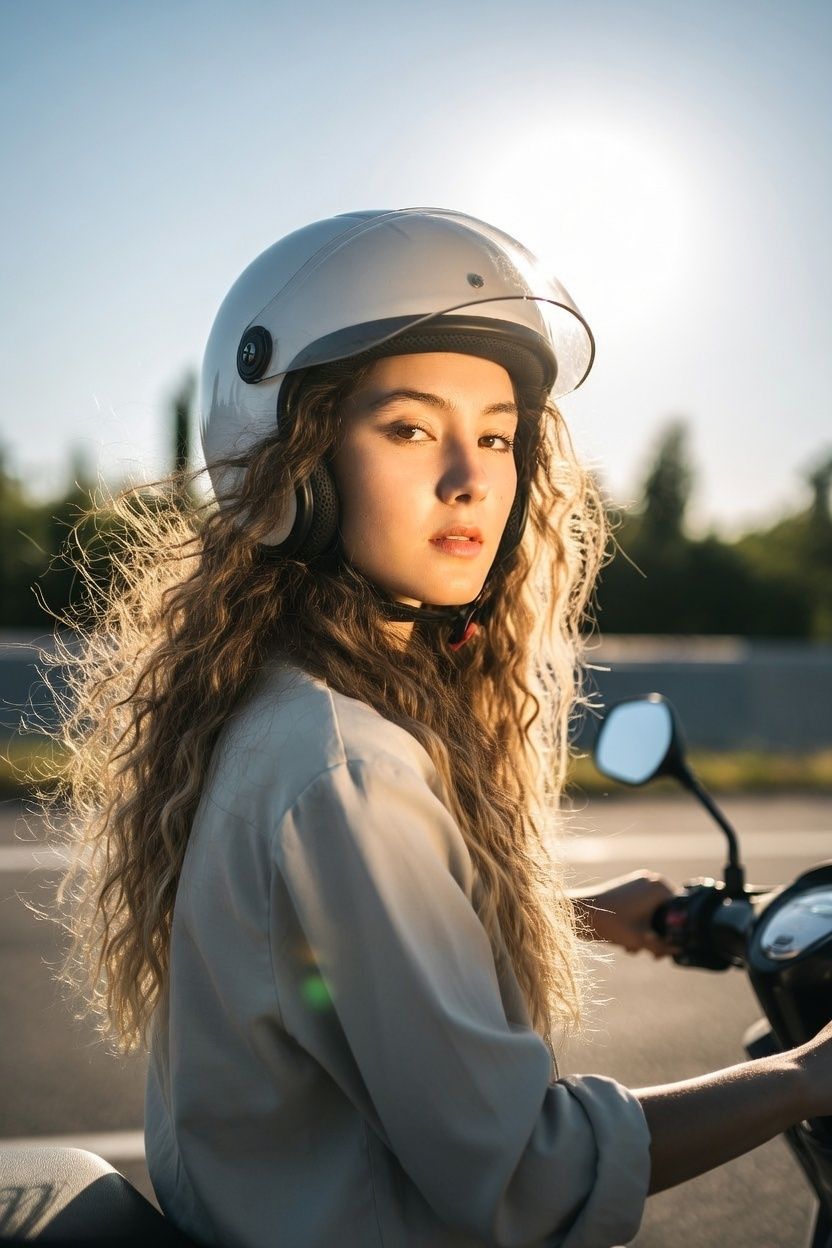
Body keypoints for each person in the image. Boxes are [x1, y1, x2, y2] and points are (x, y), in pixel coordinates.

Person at [44, 208, 832, 1248]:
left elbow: (328, 959)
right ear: (292, 461)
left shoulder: (283, 704)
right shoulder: (345, 764)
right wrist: (807, 1075)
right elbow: (527, 1176)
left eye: (497, 435)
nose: (471, 477)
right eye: (410, 428)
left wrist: (568, 912)